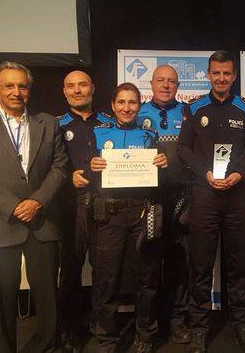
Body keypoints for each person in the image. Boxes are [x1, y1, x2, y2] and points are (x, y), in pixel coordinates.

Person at [0, 61, 68, 352]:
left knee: (48, 297)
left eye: (22, 86)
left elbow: (60, 167)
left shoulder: (48, 122)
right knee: (1, 298)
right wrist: (14, 206)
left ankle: (45, 346)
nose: (16, 91)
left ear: (29, 90)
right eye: (9, 85)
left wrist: (37, 201)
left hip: (41, 222)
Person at [177, 50, 245, 353]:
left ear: (234, 76)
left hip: (238, 195)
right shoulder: (194, 108)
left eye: (227, 73)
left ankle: (241, 323)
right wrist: (206, 173)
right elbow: (183, 149)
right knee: (199, 264)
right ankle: (199, 326)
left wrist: (239, 174)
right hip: (204, 194)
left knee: (238, 264)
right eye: (216, 73)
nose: (222, 78)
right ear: (208, 74)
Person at [84, 83, 168, 353]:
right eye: (122, 102)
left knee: (147, 275)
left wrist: (163, 166)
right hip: (109, 212)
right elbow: (82, 172)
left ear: (139, 106)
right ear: (112, 105)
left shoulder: (148, 135)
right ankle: (106, 337)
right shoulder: (98, 134)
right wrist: (91, 166)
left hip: (142, 211)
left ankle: (145, 331)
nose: (127, 108)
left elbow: (158, 179)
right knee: (106, 277)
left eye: (132, 103)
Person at [56, 70, 113, 350]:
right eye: (71, 86)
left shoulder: (110, 123)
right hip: (72, 209)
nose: (77, 90)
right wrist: (69, 176)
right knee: (70, 271)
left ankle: (101, 328)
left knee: (104, 272)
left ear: (93, 88)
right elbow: (43, 166)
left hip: (106, 207)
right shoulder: (54, 126)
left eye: (82, 85)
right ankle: (70, 332)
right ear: (64, 92)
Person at [137, 65, 193, 344]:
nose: (166, 85)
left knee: (179, 265)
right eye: (161, 80)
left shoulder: (188, 113)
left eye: (171, 81)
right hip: (149, 202)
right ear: (151, 83)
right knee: (148, 268)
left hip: (182, 201)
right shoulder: (137, 113)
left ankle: (178, 321)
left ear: (178, 85)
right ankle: (146, 329)